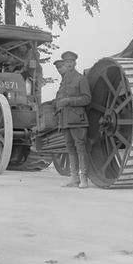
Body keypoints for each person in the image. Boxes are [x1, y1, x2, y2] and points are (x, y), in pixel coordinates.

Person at [54, 50, 91, 188]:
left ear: (75, 63)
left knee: (80, 148)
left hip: (77, 119)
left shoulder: (81, 79)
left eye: (71, 62)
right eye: (66, 62)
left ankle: (84, 179)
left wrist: (69, 101)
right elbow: (59, 98)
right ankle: (74, 178)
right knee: (70, 148)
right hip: (65, 120)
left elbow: (87, 98)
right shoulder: (64, 81)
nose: (68, 64)